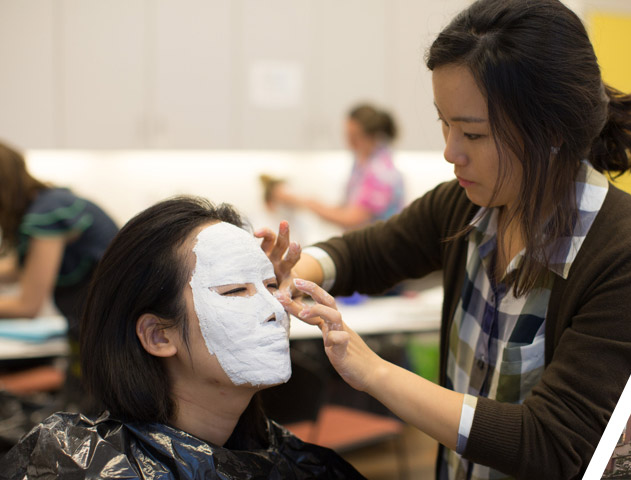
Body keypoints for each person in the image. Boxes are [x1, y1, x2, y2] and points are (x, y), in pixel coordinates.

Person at [258, 1, 631, 478]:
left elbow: (553, 442)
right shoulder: (466, 206)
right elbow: (367, 252)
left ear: (551, 132)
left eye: (474, 135)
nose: (449, 152)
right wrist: (289, 268)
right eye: (445, 122)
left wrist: (374, 372)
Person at [0, 197, 364, 479]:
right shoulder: (88, 467)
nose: (274, 308)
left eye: (271, 285)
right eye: (235, 290)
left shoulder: (284, 459)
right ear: (158, 335)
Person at [0, 140, 118, 336]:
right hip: (97, 327)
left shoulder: (48, 214)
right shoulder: (48, 202)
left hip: (109, 331)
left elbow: (28, 306)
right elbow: (19, 268)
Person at [269, 104, 405, 229]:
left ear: (371, 136)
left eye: (354, 136)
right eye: (347, 135)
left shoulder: (381, 173)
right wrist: (304, 201)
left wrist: (309, 204)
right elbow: (346, 208)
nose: (349, 143)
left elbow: (353, 219)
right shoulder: (362, 164)